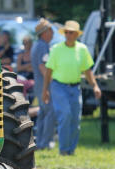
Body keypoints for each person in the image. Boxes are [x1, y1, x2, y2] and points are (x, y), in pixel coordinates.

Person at [42, 20, 101, 155]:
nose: (68, 35)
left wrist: (95, 86)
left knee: (75, 119)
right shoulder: (56, 49)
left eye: (71, 33)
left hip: (75, 88)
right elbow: (49, 71)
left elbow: (87, 71)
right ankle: (63, 149)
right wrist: (45, 90)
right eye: (66, 32)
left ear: (76, 35)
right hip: (58, 86)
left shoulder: (82, 49)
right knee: (65, 114)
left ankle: (71, 150)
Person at [31, 18, 56, 150]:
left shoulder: (38, 45)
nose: (53, 33)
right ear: (44, 32)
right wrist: (53, 83)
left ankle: (40, 142)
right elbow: (43, 67)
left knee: (43, 113)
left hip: (40, 84)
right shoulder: (43, 46)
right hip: (44, 84)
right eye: (51, 30)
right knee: (50, 112)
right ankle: (45, 142)